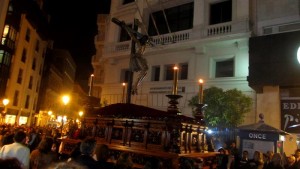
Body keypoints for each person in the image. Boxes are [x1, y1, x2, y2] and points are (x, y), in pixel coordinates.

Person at [111, 17, 149, 95]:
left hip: (140, 58)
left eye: (146, 40)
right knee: (144, 69)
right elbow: (131, 34)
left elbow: (143, 33)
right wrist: (124, 26)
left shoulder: (144, 45)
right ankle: (134, 87)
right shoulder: (138, 42)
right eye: (145, 40)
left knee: (145, 71)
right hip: (137, 57)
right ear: (142, 39)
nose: (146, 41)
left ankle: (135, 86)